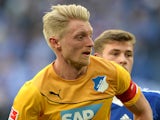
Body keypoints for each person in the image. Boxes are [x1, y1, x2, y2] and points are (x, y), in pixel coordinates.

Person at [8, 4, 152, 120]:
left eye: (90, 35)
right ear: (56, 42)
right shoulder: (34, 92)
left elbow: (143, 112)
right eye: (80, 37)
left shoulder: (112, 73)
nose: (90, 43)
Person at [94, 29, 160, 120]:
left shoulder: (154, 101)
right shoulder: (83, 107)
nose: (123, 60)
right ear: (98, 60)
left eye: (128, 55)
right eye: (115, 54)